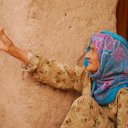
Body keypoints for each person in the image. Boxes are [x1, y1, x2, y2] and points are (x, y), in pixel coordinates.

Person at [0, 27, 128, 128]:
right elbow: (55, 71)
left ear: (108, 59)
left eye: (94, 51)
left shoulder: (124, 94)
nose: (87, 55)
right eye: (89, 49)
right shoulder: (89, 78)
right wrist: (12, 50)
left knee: (85, 104)